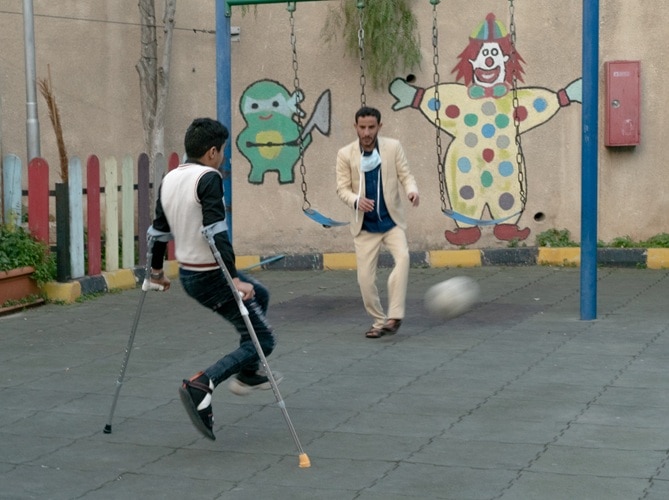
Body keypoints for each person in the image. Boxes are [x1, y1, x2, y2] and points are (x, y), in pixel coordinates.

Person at [147, 117, 281, 441]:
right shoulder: (209, 177)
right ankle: (203, 383)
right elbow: (216, 231)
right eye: (223, 151)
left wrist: (156, 272)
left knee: (259, 295)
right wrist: (233, 278)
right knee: (264, 341)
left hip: (190, 274)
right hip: (211, 275)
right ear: (211, 152)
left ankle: (247, 373)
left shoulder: (170, 178)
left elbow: (159, 231)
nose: (223, 158)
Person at [336, 106, 419, 339]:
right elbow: (342, 188)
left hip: (391, 221)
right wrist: (356, 200)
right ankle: (379, 321)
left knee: (403, 258)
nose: (366, 132)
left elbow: (406, 175)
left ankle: (394, 317)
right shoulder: (345, 154)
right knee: (365, 280)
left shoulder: (393, 147)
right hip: (365, 226)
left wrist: (412, 191)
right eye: (362, 127)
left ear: (379, 127)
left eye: (371, 127)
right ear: (355, 127)